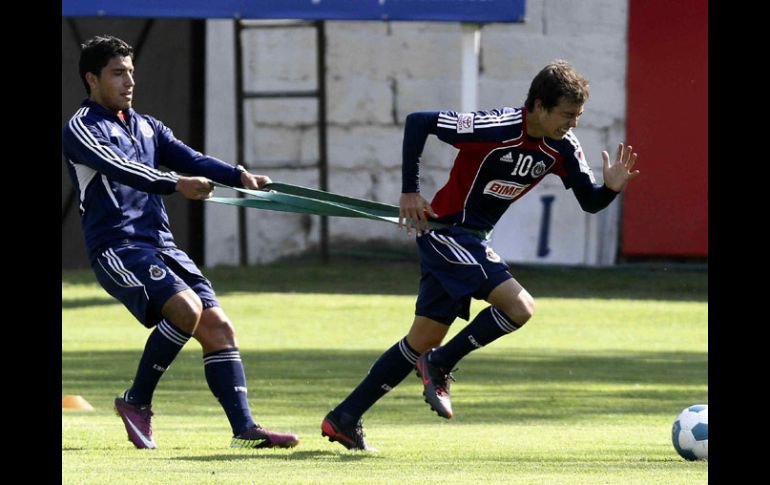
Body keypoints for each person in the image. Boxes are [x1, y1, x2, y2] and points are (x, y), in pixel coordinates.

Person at [321, 60, 640, 451]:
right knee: (520, 307)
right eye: (567, 114)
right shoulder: (499, 126)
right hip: (447, 232)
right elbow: (419, 121)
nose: (573, 123)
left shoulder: (562, 147)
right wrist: (410, 191)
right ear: (539, 106)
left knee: (424, 337)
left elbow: (590, 202)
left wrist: (610, 189)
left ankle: (344, 417)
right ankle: (440, 363)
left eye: (578, 116)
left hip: (471, 238)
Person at [62, 35, 299, 450]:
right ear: (92, 79)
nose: (128, 82)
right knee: (186, 309)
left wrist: (239, 176)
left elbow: (190, 158)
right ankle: (136, 401)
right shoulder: (81, 128)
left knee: (217, 327)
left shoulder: (148, 126)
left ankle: (244, 430)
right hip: (119, 248)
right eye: (118, 74)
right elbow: (123, 169)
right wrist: (176, 183)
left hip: (162, 245)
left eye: (131, 73)